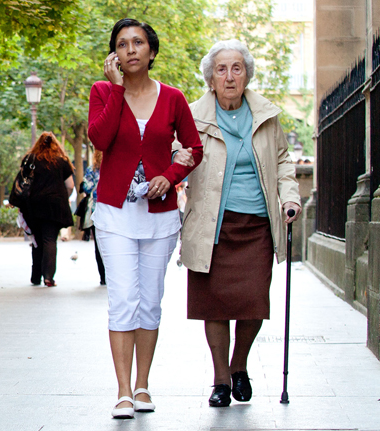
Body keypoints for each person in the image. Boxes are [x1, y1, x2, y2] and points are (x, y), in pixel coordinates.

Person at [88, 18, 203, 419]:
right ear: (114, 55)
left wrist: (169, 177)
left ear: (151, 52)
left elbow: (194, 147)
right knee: (123, 300)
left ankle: (143, 386)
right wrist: (118, 91)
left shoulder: (173, 98)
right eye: (122, 44)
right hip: (115, 214)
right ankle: (122, 391)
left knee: (150, 302)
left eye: (138, 43)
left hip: (159, 217)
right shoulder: (103, 92)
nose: (131, 49)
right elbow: (99, 140)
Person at [181, 40, 301, 408]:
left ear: (247, 74)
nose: (230, 76)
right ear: (211, 78)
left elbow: (282, 161)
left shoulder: (266, 114)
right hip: (211, 225)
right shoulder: (193, 114)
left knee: (252, 303)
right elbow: (176, 150)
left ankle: (239, 365)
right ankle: (220, 380)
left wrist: (290, 196)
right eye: (222, 69)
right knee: (213, 304)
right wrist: (178, 160)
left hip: (256, 225)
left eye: (237, 68)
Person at [11, 132, 74, 287]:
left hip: (34, 205)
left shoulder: (30, 159)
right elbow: (71, 185)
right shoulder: (62, 162)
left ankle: (35, 276)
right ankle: (48, 277)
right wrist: (63, 196)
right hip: (55, 205)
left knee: (37, 240)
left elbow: (22, 180)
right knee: (50, 240)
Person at [81, 149, 106, 285]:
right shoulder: (115, 167)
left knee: (99, 243)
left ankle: (103, 276)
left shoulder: (92, 170)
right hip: (114, 209)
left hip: (96, 210)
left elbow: (86, 187)